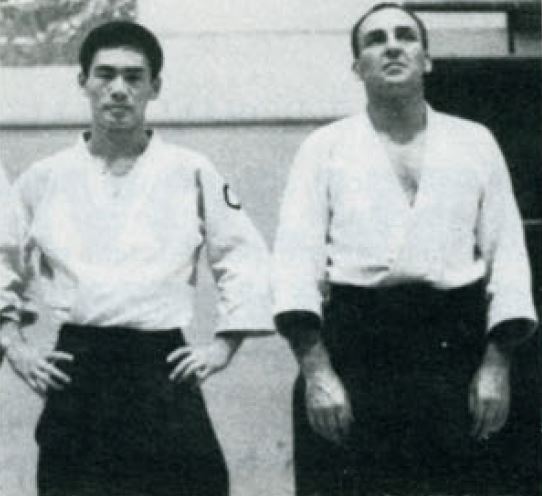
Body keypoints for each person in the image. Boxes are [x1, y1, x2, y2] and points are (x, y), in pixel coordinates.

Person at [273, 3, 539, 495]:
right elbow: (294, 260)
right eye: (375, 40)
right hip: (357, 351)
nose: (392, 46)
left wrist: (497, 365)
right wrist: (317, 372)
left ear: (427, 59)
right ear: (357, 67)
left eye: (405, 36)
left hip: (456, 350)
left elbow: (508, 255)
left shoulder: (474, 141)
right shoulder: (324, 147)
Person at [0, 20, 273, 496]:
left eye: (133, 77)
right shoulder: (45, 178)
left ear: (155, 87)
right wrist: (13, 343)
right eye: (105, 75)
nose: (119, 89)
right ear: (83, 82)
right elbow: (3, 258)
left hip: (161, 365)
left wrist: (224, 345)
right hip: (79, 366)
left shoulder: (190, 170)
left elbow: (242, 255)